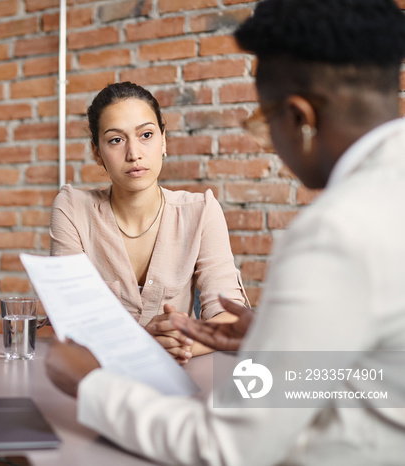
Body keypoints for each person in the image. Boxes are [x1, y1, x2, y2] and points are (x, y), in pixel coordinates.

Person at [45, 0, 405, 464]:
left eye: (263, 122)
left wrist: (93, 385)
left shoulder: (335, 231)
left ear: (299, 119)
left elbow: (230, 447)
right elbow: (381, 372)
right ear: (98, 151)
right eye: (116, 140)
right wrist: (276, 345)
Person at [49, 82, 248, 363]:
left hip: (182, 379)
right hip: (97, 377)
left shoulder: (201, 211)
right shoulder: (72, 209)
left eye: (146, 135)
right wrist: (149, 342)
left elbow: (231, 320)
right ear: (97, 152)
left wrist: (179, 344)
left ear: (163, 140)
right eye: (116, 140)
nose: (134, 153)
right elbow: (70, 322)